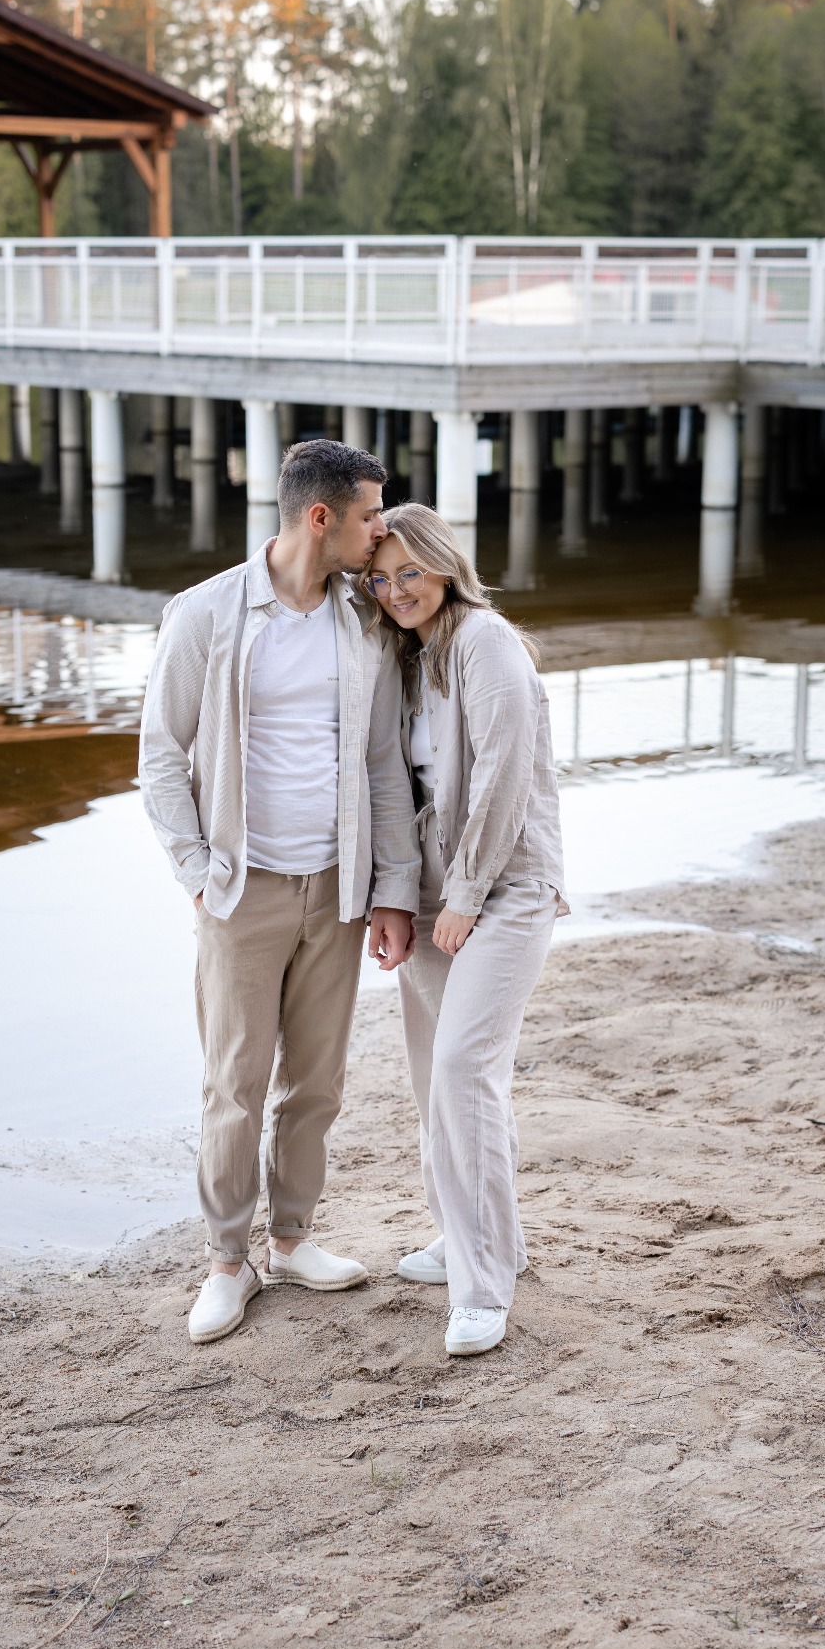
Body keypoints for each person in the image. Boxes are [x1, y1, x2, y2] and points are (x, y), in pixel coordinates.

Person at [139, 439, 420, 1345]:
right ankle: (228, 1263)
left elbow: (382, 763)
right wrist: (196, 874)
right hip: (241, 889)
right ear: (320, 517)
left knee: (318, 1083)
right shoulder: (206, 614)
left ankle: (292, 1240)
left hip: (337, 888)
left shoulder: (362, 619)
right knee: (235, 1084)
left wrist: (392, 889)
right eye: (370, 515)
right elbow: (159, 756)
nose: (380, 531)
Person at [362, 502, 566, 1358]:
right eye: (380, 578)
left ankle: (483, 1288)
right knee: (435, 1081)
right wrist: (396, 897)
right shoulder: (408, 659)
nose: (396, 590)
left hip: (503, 889)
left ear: (445, 566)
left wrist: (469, 892)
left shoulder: (484, 640)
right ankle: (474, 1237)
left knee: (462, 1070)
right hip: (431, 895)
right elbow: (395, 788)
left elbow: (505, 775)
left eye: (411, 571)